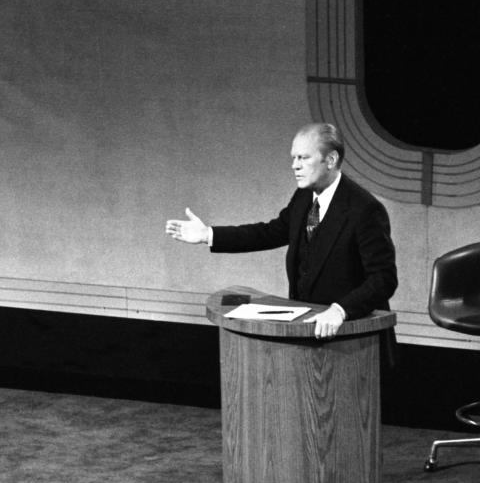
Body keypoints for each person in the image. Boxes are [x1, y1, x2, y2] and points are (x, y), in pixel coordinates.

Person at [165, 122, 398, 340]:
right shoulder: (304, 196)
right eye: (294, 158)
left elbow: (384, 278)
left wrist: (340, 310)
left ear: (331, 159)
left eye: (303, 158)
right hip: (307, 332)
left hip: (354, 339)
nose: (294, 165)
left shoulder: (365, 209)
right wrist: (209, 235)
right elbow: (271, 232)